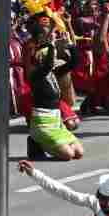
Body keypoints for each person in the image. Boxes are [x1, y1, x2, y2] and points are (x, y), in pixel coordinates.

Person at [26, 23, 84, 161]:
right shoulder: (36, 74)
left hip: (57, 123)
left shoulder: (54, 72)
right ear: (41, 59)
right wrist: (51, 45)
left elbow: (74, 63)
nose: (53, 61)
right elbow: (47, 65)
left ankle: (45, 143)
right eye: (50, 58)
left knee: (79, 153)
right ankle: (35, 141)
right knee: (68, 155)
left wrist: (70, 45)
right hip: (43, 124)